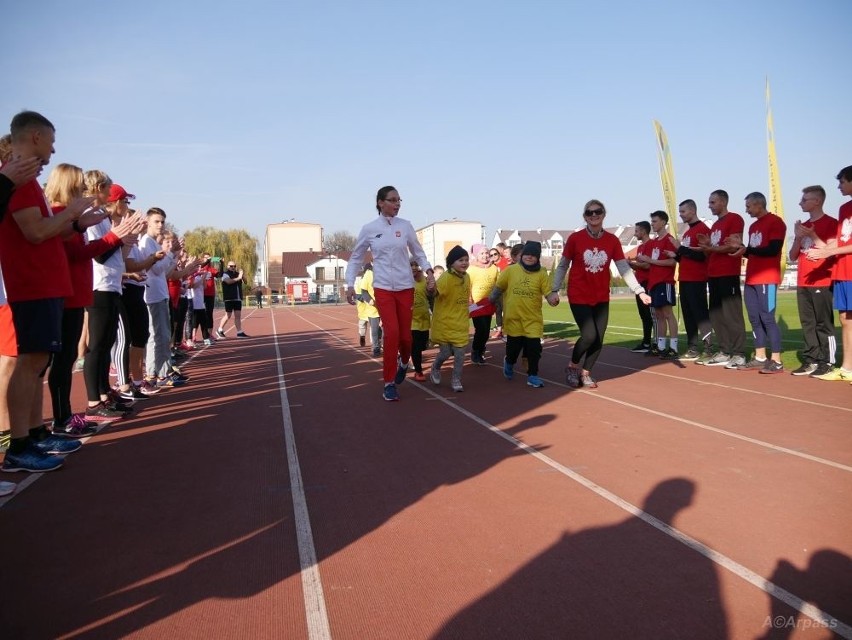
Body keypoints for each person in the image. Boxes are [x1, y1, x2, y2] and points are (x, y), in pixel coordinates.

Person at [0, 111, 91, 472]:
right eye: (51, 143)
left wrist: (75, 221)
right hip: (31, 285)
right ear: (35, 137)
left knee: (38, 364)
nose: (52, 153)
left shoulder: (24, 181)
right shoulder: (17, 178)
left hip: (44, 284)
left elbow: (48, 232)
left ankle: (35, 433)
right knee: (30, 363)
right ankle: (20, 443)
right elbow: (35, 233)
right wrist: (69, 213)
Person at [345, 186, 434, 402]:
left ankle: (404, 362)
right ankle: (389, 382)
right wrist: (349, 284)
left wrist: (430, 273)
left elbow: (418, 252)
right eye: (392, 200)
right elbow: (356, 257)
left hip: (405, 288)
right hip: (383, 288)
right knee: (392, 334)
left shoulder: (405, 226)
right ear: (380, 202)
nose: (397, 204)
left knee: (406, 338)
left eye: (399, 200)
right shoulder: (369, 229)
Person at [549, 200, 651, 389]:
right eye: (589, 212)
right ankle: (572, 367)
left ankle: (586, 372)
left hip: (601, 296)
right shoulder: (575, 239)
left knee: (599, 337)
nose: (594, 215)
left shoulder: (612, 240)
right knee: (589, 335)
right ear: (585, 216)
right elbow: (563, 265)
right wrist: (554, 290)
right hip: (579, 294)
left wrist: (639, 290)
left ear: (604, 214)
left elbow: (623, 267)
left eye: (598, 212)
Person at [728, 192, 788, 373]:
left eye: (748, 206)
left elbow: (772, 249)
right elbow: (753, 252)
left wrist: (747, 249)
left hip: (767, 278)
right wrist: (741, 248)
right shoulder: (753, 226)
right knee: (754, 318)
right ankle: (760, 356)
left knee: (767, 318)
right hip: (752, 278)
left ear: (758, 205)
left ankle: (776, 360)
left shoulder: (776, 222)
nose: (746, 210)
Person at [805, 164, 852, 382]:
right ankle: (847, 368)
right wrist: (823, 247)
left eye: (842, 181)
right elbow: (840, 240)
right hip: (842, 271)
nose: (839, 186)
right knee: (845, 320)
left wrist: (829, 250)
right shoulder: (844, 209)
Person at [489, 241, 556, 387]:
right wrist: (491, 299)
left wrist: (553, 299)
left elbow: (548, 293)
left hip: (533, 319)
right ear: (522, 255)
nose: (529, 257)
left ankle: (532, 375)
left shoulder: (542, 274)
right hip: (514, 319)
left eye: (533, 255)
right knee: (513, 349)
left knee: (534, 349)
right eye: (527, 254)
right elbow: (499, 287)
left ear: (538, 258)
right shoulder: (510, 270)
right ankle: (509, 362)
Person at [789, 186, 838, 376]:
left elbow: (830, 252)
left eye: (804, 200)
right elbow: (793, 256)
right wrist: (798, 238)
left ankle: (828, 361)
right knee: (807, 323)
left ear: (817, 201)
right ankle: (811, 359)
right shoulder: (804, 225)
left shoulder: (831, 223)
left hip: (822, 281)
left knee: (823, 324)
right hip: (803, 282)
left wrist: (812, 235)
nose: (800, 203)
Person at [696, 190, 747, 367]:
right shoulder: (715, 225)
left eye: (712, 202)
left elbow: (732, 246)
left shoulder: (735, 219)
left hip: (728, 273)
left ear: (723, 202)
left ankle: (739, 353)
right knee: (717, 315)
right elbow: (715, 248)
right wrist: (706, 246)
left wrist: (711, 248)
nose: (709, 206)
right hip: (713, 273)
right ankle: (725, 350)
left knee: (732, 315)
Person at [666, 199, 712, 361]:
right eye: (680, 212)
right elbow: (686, 256)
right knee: (688, 314)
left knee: (700, 313)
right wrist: (676, 255)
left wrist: (680, 249)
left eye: (683, 211)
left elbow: (702, 256)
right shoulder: (687, 233)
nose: (681, 214)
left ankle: (708, 347)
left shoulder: (703, 230)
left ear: (692, 211)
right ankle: (693, 348)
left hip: (697, 279)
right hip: (684, 279)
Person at [637, 211, 679, 359]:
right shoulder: (654, 242)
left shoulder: (669, 240)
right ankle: (661, 346)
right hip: (653, 283)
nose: (653, 224)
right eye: (652, 221)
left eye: (655, 221)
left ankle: (673, 347)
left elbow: (673, 262)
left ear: (663, 222)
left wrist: (650, 261)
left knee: (668, 314)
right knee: (659, 315)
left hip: (664, 282)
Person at [430, 245, 469, 392]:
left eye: (466, 259)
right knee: (446, 353)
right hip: (445, 323)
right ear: (451, 262)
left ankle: (456, 379)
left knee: (460, 355)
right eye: (460, 260)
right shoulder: (446, 278)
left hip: (460, 323)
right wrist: (431, 288)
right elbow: (435, 294)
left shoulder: (467, 277)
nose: (464, 262)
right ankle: (435, 367)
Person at [626, 220, 655, 353]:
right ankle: (646, 342)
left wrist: (632, 264)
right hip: (639, 284)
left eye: (637, 231)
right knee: (643, 314)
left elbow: (647, 265)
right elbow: (640, 265)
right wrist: (630, 263)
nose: (635, 233)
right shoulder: (640, 247)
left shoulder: (650, 245)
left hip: (647, 283)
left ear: (643, 231)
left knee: (650, 314)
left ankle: (652, 342)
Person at [467, 243, 498, 365]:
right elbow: (467, 287)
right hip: (476, 304)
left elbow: (497, 285)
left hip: (489, 303)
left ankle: (480, 350)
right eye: (482, 253)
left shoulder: (494, 268)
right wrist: (469, 302)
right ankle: (476, 351)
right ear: (476, 255)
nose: (485, 256)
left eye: (486, 253)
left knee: (486, 332)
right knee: (481, 329)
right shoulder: (471, 269)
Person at [409, 259, 431, 381]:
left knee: (423, 346)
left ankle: (404, 354)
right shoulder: (403, 280)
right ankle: (418, 371)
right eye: (410, 265)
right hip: (410, 320)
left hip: (424, 318)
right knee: (416, 347)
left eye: (415, 265)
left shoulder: (424, 280)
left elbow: (431, 296)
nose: (413, 267)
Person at [217, 260, 249, 337]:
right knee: (228, 315)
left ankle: (239, 331)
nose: (233, 268)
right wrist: (239, 277)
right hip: (229, 297)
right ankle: (220, 329)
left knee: (238, 315)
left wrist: (242, 275)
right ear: (228, 266)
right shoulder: (225, 274)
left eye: (234, 266)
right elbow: (228, 282)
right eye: (231, 266)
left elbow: (245, 282)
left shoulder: (238, 274)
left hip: (237, 298)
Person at [358, 263, 382, 355]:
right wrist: (369, 299)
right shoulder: (368, 274)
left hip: (385, 307)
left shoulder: (386, 271)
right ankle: (376, 347)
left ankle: (384, 344)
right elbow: (363, 291)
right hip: (373, 309)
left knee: (385, 329)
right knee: (375, 330)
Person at [198, 253, 219, 339]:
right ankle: (195, 335)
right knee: (200, 314)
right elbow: (201, 266)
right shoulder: (200, 267)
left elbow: (219, 274)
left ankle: (209, 334)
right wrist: (208, 260)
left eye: (209, 258)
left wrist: (221, 263)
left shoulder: (211, 269)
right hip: (201, 294)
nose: (208, 259)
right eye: (206, 258)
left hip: (210, 294)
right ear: (202, 259)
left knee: (209, 314)